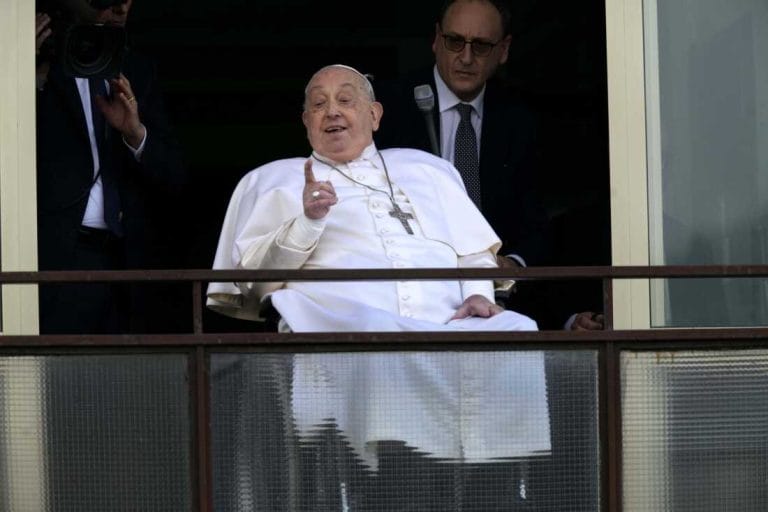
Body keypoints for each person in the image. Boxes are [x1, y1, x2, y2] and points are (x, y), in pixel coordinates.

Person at [207, 64, 550, 508]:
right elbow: (254, 282)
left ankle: (496, 490)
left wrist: (478, 294)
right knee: (378, 337)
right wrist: (307, 220)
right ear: (306, 121)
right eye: (319, 104)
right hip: (349, 327)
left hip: (447, 323)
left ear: (375, 114)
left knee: (516, 328)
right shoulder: (274, 181)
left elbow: (472, 252)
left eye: (345, 100)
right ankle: (400, 489)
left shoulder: (427, 170)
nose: (332, 111)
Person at [374, 0, 604, 330]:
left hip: (492, 302)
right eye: (455, 41)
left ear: (504, 50)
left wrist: (513, 264)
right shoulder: (387, 109)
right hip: (407, 298)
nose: (466, 57)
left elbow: (537, 225)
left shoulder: (519, 119)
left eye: (481, 46)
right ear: (436, 40)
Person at [35, 0, 188, 334]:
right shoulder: (39, 63)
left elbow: (175, 178)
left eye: (127, 1)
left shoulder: (138, 70)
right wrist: (19, 69)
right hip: (57, 260)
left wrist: (136, 135)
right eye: (106, 1)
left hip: (128, 266)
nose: (120, 10)